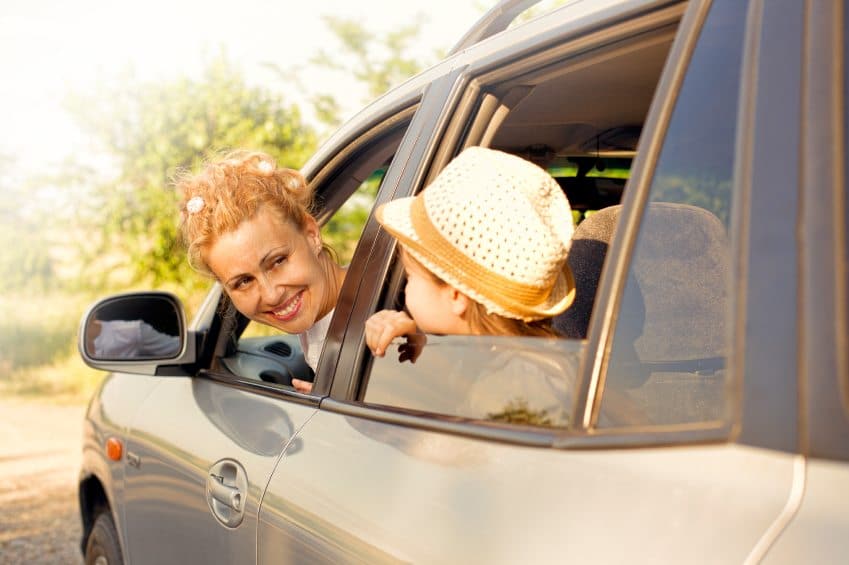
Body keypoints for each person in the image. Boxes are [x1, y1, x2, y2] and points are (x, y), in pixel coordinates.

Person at [365, 145, 576, 359]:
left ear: (457, 296)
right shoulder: (542, 361)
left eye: (410, 277)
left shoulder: (493, 385)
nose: (405, 290)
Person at [177, 150, 345, 393]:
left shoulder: (387, 313)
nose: (271, 295)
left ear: (311, 235)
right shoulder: (329, 318)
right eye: (243, 281)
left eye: (277, 261)